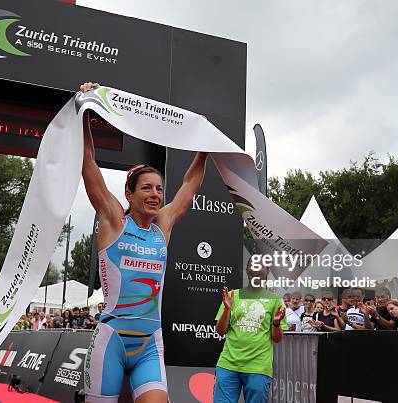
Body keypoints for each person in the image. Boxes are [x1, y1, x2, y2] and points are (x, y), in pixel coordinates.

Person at [80, 81, 208, 403]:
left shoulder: (162, 226)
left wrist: (204, 146)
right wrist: (85, 112)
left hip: (150, 343)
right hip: (111, 341)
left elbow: (190, 184)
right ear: (129, 193)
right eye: (147, 188)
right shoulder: (113, 221)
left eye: (159, 189)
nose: (155, 195)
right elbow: (88, 165)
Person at [214, 259, 285, 403]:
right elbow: (220, 331)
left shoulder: (275, 300)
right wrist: (227, 310)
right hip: (228, 365)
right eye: (253, 265)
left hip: (258, 368)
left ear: (267, 271)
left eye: (261, 266)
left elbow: (277, 338)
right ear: (247, 270)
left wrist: (276, 323)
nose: (256, 269)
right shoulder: (232, 295)